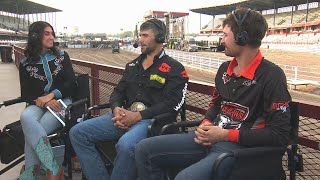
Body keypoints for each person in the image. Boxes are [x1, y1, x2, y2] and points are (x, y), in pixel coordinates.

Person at [135, 8, 292, 180]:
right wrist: (206, 122)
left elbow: (279, 134)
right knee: (144, 149)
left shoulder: (272, 76)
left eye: (225, 35)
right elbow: (216, 105)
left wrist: (224, 134)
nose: (222, 39)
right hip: (211, 138)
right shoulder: (224, 69)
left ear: (242, 37)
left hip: (240, 150)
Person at [69, 18, 189, 180]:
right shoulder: (132, 66)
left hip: (151, 122)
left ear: (159, 38)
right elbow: (118, 92)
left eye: (145, 35)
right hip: (124, 116)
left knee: (126, 145)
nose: (140, 40)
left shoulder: (174, 68)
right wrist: (116, 109)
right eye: (140, 35)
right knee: (78, 132)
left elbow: (173, 104)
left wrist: (139, 116)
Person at [18, 21, 77, 180]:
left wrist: (51, 96)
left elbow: (72, 84)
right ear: (35, 36)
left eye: (52, 33)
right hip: (38, 103)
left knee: (34, 128)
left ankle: (30, 174)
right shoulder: (25, 63)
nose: (52, 37)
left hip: (63, 102)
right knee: (26, 117)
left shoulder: (63, 56)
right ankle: (52, 167)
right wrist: (42, 100)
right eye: (47, 33)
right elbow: (26, 94)